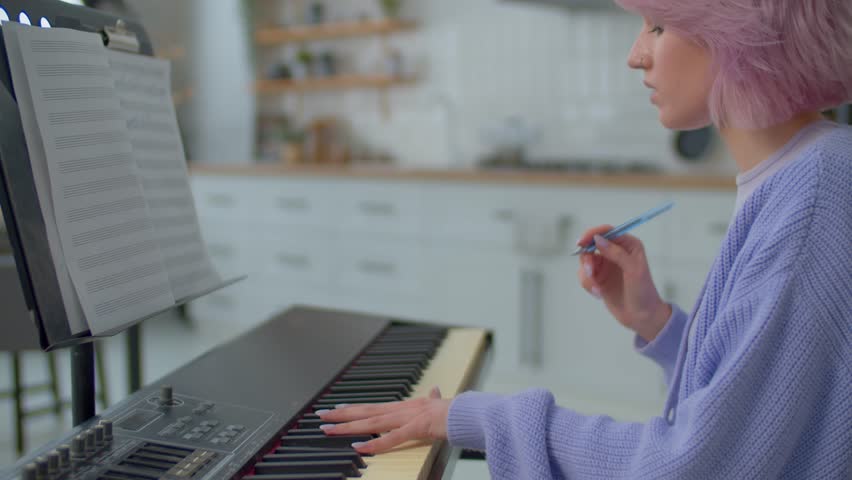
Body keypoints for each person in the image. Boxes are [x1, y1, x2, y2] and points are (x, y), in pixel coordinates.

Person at [315, 0, 852, 477]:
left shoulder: (813, 195)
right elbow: (762, 403)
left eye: (659, 26)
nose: (635, 55)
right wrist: (657, 324)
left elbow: (693, 463)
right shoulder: (807, 172)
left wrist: (469, 416)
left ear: (738, 31)